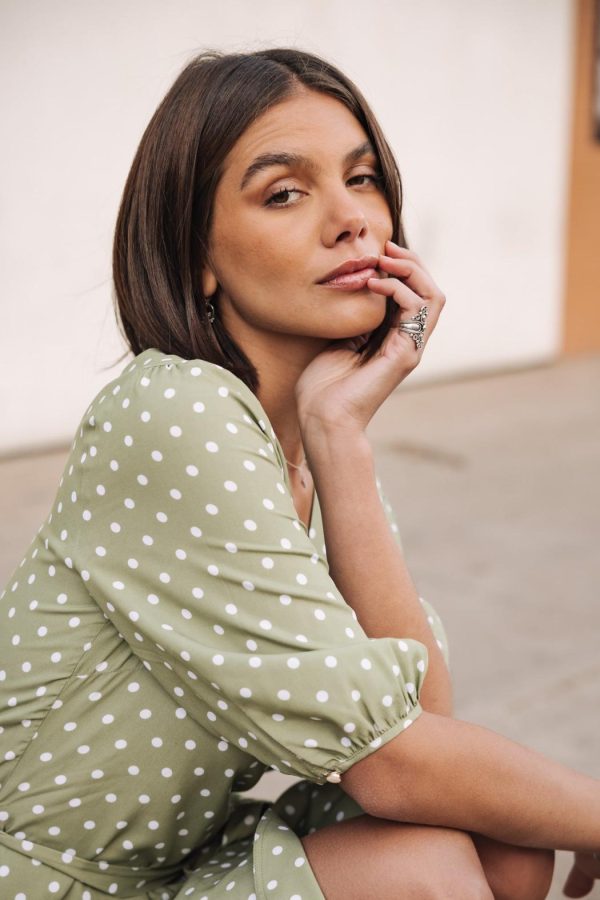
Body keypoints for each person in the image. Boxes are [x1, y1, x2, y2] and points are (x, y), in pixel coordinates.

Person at [0, 46, 598, 900]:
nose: (351, 219)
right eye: (285, 193)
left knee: (506, 844)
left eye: (362, 179)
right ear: (197, 257)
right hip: (47, 880)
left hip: (176, 862)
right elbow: (394, 766)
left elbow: (424, 725)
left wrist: (340, 437)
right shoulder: (171, 410)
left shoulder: (307, 440)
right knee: (429, 867)